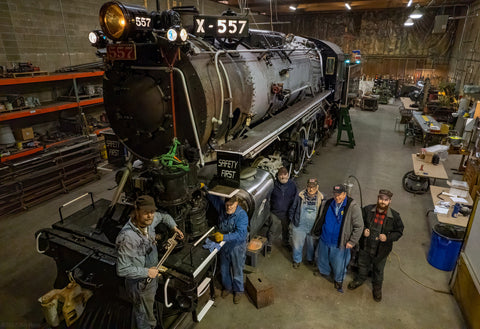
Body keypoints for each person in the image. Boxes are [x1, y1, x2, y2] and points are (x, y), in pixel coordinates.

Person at [116, 195, 184, 329]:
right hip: (140, 284)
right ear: (136, 212)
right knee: (143, 314)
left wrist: (174, 228)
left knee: (149, 307)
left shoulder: (150, 221)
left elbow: (164, 216)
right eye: (145, 213)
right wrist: (147, 272)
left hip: (151, 276)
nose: (150, 216)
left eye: (152, 212)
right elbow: (122, 269)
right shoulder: (128, 238)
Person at [348, 189, 404, 302]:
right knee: (362, 265)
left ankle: (377, 288)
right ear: (377, 198)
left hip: (382, 250)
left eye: (386, 200)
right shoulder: (367, 210)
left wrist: (387, 238)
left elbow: (399, 232)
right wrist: (363, 230)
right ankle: (360, 279)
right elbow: (358, 222)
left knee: (378, 270)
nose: (383, 202)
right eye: (381, 199)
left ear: (390, 201)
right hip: (366, 246)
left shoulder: (395, 216)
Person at [312, 184, 363, 292]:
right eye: (335, 194)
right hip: (324, 239)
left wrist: (352, 241)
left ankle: (338, 280)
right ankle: (324, 271)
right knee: (322, 259)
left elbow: (359, 226)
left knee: (339, 264)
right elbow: (320, 217)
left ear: (345, 194)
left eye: (340, 195)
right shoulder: (328, 203)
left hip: (340, 243)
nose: (337, 197)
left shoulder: (352, 207)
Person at [208, 194, 248, 304]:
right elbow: (214, 199)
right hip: (224, 245)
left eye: (231, 205)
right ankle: (228, 287)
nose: (229, 207)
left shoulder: (242, 215)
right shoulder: (223, 209)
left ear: (237, 203)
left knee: (237, 269)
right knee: (224, 267)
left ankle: (238, 290)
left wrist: (224, 237)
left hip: (236, 246)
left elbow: (241, 234)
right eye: (227, 205)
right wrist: (205, 188)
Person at [289, 178, 324, 269]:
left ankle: (310, 259)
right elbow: (292, 209)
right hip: (300, 225)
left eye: (313, 187)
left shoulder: (321, 199)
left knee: (311, 245)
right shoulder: (300, 196)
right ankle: (297, 260)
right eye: (309, 187)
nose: (311, 189)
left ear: (317, 187)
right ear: (306, 186)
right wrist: (292, 221)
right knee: (297, 244)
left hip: (313, 227)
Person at [266, 167, 298, 251]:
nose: (283, 177)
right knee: (272, 229)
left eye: (285, 174)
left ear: (288, 175)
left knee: (286, 229)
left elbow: (295, 199)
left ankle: (285, 243)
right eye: (280, 175)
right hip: (275, 212)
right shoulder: (273, 185)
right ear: (278, 176)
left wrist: (292, 212)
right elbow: (268, 198)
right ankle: (268, 244)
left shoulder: (292, 185)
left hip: (286, 213)